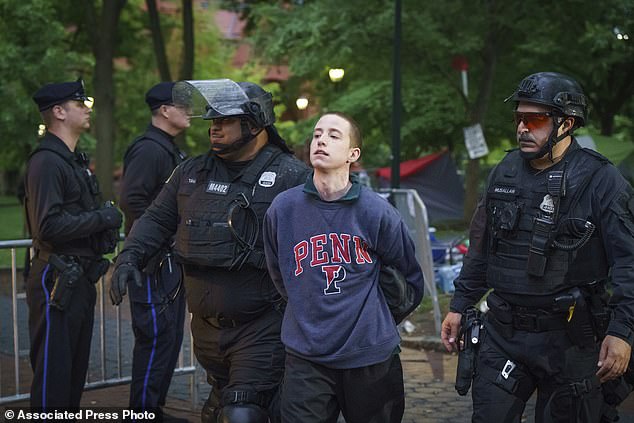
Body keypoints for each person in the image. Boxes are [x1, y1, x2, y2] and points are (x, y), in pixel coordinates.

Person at [109, 79, 310, 423]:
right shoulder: (191, 172)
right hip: (205, 331)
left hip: (261, 328)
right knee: (218, 409)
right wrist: (129, 257)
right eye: (212, 122)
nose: (214, 129)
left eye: (224, 121)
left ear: (254, 122)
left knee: (242, 412)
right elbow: (157, 219)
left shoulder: (291, 177)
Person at [440, 72, 634, 422]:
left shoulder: (601, 180)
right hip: (504, 331)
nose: (522, 128)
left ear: (566, 124)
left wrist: (622, 331)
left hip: (571, 339)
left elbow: (629, 263)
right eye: (519, 118)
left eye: (535, 119)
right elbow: (482, 247)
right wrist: (459, 305)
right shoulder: (505, 171)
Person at [262, 112, 425, 423]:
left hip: (370, 357)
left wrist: (374, 320)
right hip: (306, 356)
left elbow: (410, 280)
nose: (321, 139)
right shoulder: (283, 209)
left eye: (334, 135)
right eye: (317, 133)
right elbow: (279, 273)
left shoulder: (376, 211)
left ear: (353, 154)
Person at [25, 79, 122, 410]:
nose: (87, 108)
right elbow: (47, 226)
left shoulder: (70, 160)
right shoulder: (47, 162)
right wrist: (103, 219)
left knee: (73, 374)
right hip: (57, 278)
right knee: (54, 375)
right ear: (59, 111)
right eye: (80, 103)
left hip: (76, 277)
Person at [117, 81, 189, 420]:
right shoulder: (149, 149)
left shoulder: (167, 148)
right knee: (156, 336)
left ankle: (151, 408)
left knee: (168, 338)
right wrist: (159, 241)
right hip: (152, 262)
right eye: (182, 104)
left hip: (167, 262)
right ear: (164, 110)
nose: (189, 111)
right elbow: (132, 201)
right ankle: (142, 412)